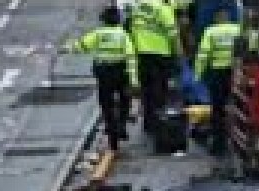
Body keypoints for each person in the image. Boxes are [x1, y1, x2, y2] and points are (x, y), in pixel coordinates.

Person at [72, 6, 139, 151]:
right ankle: (121, 124)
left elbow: (81, 46)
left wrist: (67, 47)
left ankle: (111, 131)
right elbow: (131, 57)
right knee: (124, 99)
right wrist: (133, 80)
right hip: (121, 72)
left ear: (103, 19)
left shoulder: (98, 34)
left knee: (106, 103)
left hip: (103, 73)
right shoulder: (123, 35)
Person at [127, 0, 183, 138]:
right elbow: (173, 34)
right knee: (160, 91)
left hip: (141, 52)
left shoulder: (138, 7)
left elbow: (132, 28)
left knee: (146, 91)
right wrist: (179, 53)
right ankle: (159, 124)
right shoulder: (163, 9)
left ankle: (148, 123)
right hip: (160, 54)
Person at [194, 7, 240, 157]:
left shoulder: (211, 31)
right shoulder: (237, 29)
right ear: (228, 17)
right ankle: (236, 140)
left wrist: (198, 74)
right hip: (235, 73)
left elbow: (203, 54)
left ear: (217, 18)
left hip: (218, 73)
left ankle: (219, 144)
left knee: (218, 109)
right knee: (237, 107)